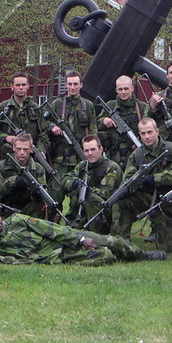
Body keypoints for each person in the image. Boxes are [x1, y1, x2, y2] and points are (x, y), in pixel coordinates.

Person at [0, 205, 166, 265]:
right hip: (58, 255)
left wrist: (79, 239)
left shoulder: (17, 220)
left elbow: (50, 228)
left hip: (65, 237)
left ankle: (142, 256)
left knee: (112, 241)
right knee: (106, 255)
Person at [114, 118, 172, 253]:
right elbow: (128, 179)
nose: (146, 136)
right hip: (146, 198)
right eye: (143, 133)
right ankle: (121, 243)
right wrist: (138, 184)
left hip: (168, 200)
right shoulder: (137, 155)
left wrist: (154, 179)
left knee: (169, 248)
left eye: (149, 132)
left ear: (157, 131)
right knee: (121, 201)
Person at [46, 70, 97, 207]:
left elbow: (93, 131)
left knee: (79, 200)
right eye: (69, 84)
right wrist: (52, 127)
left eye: (75, 84)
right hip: (59, 161)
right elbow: (43, 122)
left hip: (80, 160)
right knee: (54, 198)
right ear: (66, 85)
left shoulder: (88, 106)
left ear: (81, 85)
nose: (72, 87)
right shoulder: (57, 104)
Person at [63, 134, 123, 234]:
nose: (90, 153)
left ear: (101, 149)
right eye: (86, 150)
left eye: (93, 149)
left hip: (105, 213)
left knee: (90, 198)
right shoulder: (83, 165)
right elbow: (65, 179)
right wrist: (74, 183)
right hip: (82, 210)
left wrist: (87, 190)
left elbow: (106, 193)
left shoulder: (111, 167)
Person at [0, 72, 49, 165]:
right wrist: (5, 137)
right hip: (7, 158)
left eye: (23, 85)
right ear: (12, 86)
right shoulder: (3, 108)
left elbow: (43, 133)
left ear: (28, 86)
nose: (21, 88)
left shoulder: (35, 109)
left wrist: (40, 149)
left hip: (30, 156)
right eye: (17, 85)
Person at [0, 132, 49, 219]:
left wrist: (36, 193)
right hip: (6, 209)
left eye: (25, 149)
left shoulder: (38, 168)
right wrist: (13, 181)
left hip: (29, 210)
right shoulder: (1, 166)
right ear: (13, 147)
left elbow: (44, 194)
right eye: (18, 149)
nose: (22, 153)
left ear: (31, 149)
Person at [97, 75, 148, 169]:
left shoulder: (141, 107)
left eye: (126, 89)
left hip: (134, 156)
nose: (123, 92)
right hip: (113, 158)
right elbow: (95, 125)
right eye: (120, 89)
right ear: (116, 90)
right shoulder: (110, 106)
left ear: (132, 88)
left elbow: (149, 129)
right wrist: (103, 121)